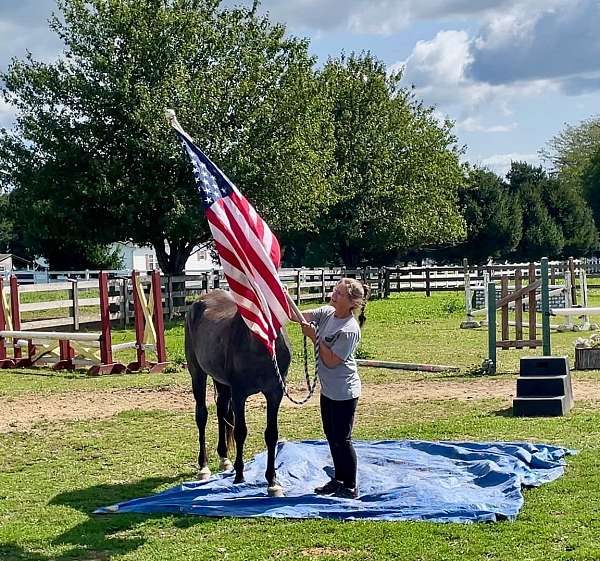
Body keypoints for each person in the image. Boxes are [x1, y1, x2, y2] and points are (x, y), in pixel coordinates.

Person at [297, 278, 369, 499]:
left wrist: (314, 338)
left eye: (339, 293)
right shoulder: (328, 313)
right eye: (335, 291)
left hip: (344, 392)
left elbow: (332, 361)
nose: (333, 295)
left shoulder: (349, 329)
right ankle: (338, 479)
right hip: (329, 390)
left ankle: (350, 485)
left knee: (342, 438)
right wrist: (283, 297)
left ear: (351, 303)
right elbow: (299, 316)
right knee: (331, 435)